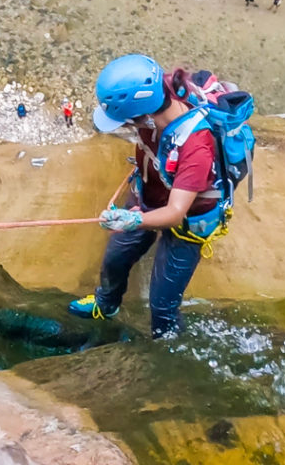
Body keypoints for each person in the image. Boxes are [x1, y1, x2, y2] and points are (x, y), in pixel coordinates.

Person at [68, 55, 223, 338]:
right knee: (114, 260)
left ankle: (167, 348)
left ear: (144, 118)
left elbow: (176, 212)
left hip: (188, 221)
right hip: (149, 194)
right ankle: (106, 304)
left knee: (162, 304)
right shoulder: (159, 95)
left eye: (126, 123)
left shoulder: (196, 147)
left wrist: (131, 220)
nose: (125, 128)